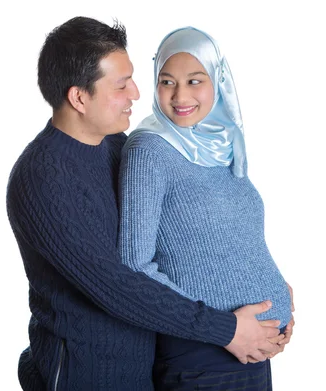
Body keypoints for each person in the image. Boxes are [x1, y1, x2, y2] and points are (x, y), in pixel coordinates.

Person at [6, 17, 286, 391]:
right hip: (86, 377)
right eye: (122, 85)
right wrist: (228, 329)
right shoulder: (42, 177)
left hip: (145, 369)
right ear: (79, 97)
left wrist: (271, 295)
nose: (137, 93)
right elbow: (117, 285)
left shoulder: (116, 147)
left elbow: (188, 241)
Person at [118, 27, 294, 390]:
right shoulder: (148, 151)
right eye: (167, 82)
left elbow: (235, 243)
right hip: (203, 356)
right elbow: (134, 265)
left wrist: (278, 293)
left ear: (218, 82)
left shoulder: (220, 143)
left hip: (248, 352)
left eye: (194, 81)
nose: (180, 95)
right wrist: (225, 328)